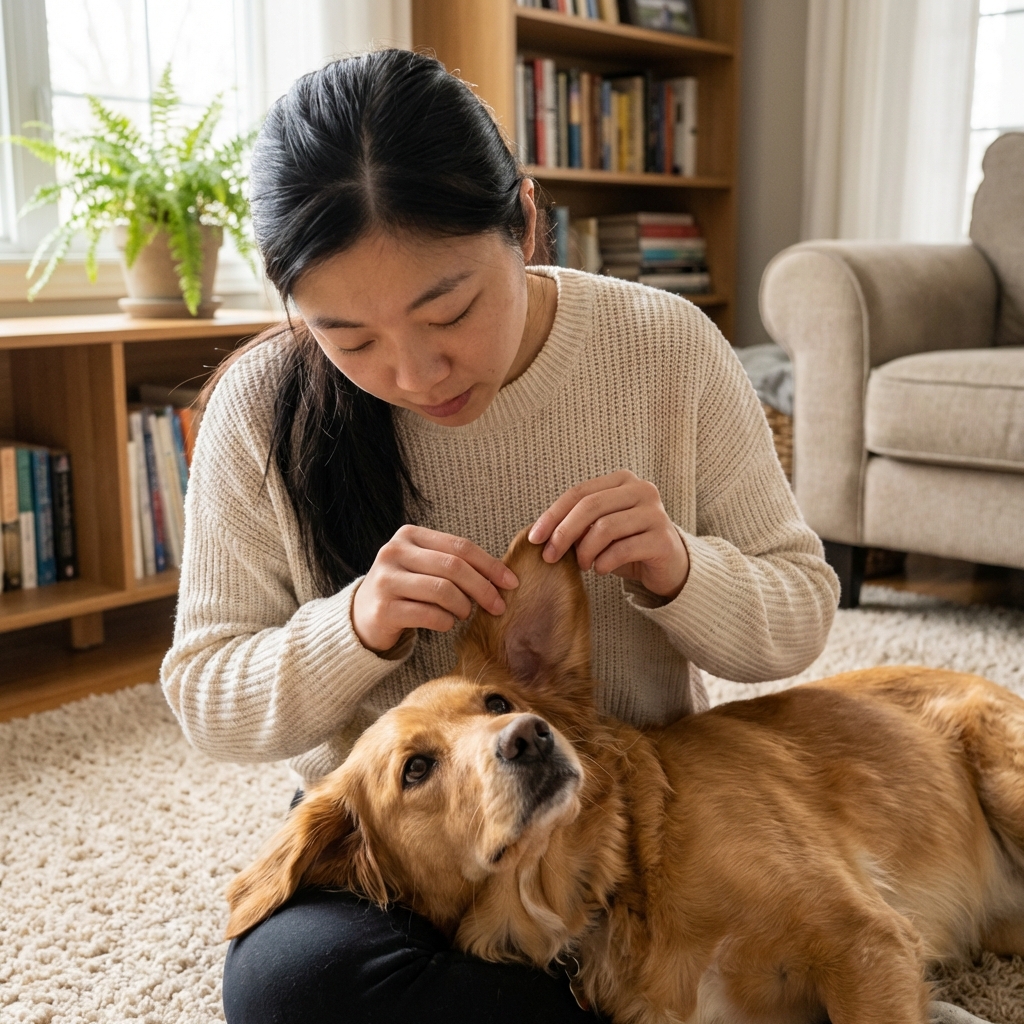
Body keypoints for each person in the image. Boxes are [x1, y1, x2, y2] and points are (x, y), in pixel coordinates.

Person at [160, 48, 839, 1024]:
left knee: (734, 919)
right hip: (426, 858)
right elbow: (208, 700)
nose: (414, 370)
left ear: (523, 220)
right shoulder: (264, 410)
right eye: (349, 338)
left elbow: (796, 622)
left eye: (451, 308)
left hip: (639, 828)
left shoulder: (664, 345)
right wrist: (349, 626)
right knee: (289, 983)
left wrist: (679, 567)